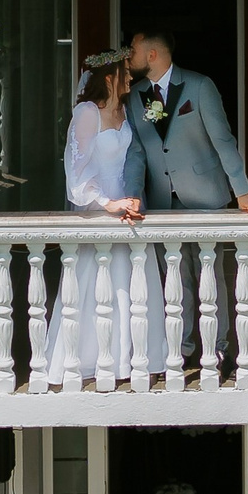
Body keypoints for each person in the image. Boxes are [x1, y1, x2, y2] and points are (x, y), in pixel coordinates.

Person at [41, 54, 165, 386]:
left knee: (132, 285)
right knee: (95, 288)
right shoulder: (86, 113)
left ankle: (135, 357)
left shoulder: (128, 111)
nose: (130, 78)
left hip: (131, 207)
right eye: (125, 73)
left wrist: (133, 197)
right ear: (109, 78)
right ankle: (90, 360)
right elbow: (76, 171)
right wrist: (106, 203)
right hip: (101, 208)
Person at [120, 30, 248, 213]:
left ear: (151, 54)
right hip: (162, 203)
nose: (128, 55)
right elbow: (136, 152)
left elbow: (223, 140)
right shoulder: (134, 96)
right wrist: (133, 195)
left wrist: (242, 189)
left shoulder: (200, 85)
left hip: (207, 197)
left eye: (133, 50)